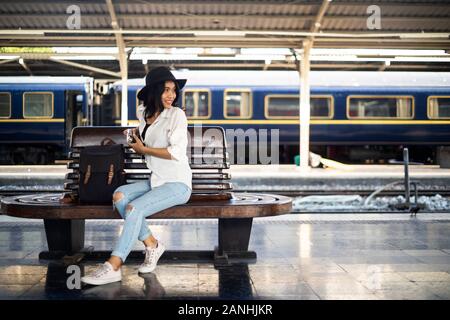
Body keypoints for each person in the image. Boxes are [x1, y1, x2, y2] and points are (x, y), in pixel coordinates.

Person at [81, 67, 192, 286]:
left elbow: (175, 152)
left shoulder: (177, 115)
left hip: (177, 183)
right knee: (120, 196)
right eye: (166, 90)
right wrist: (135, 140)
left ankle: (113, 265)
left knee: (134, 208)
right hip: (157, 180)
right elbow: (147, 141)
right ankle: (152, 244)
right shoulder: (143, 113)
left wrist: (144, 150)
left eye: (174, 90)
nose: (172, 95)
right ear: (154, 91)